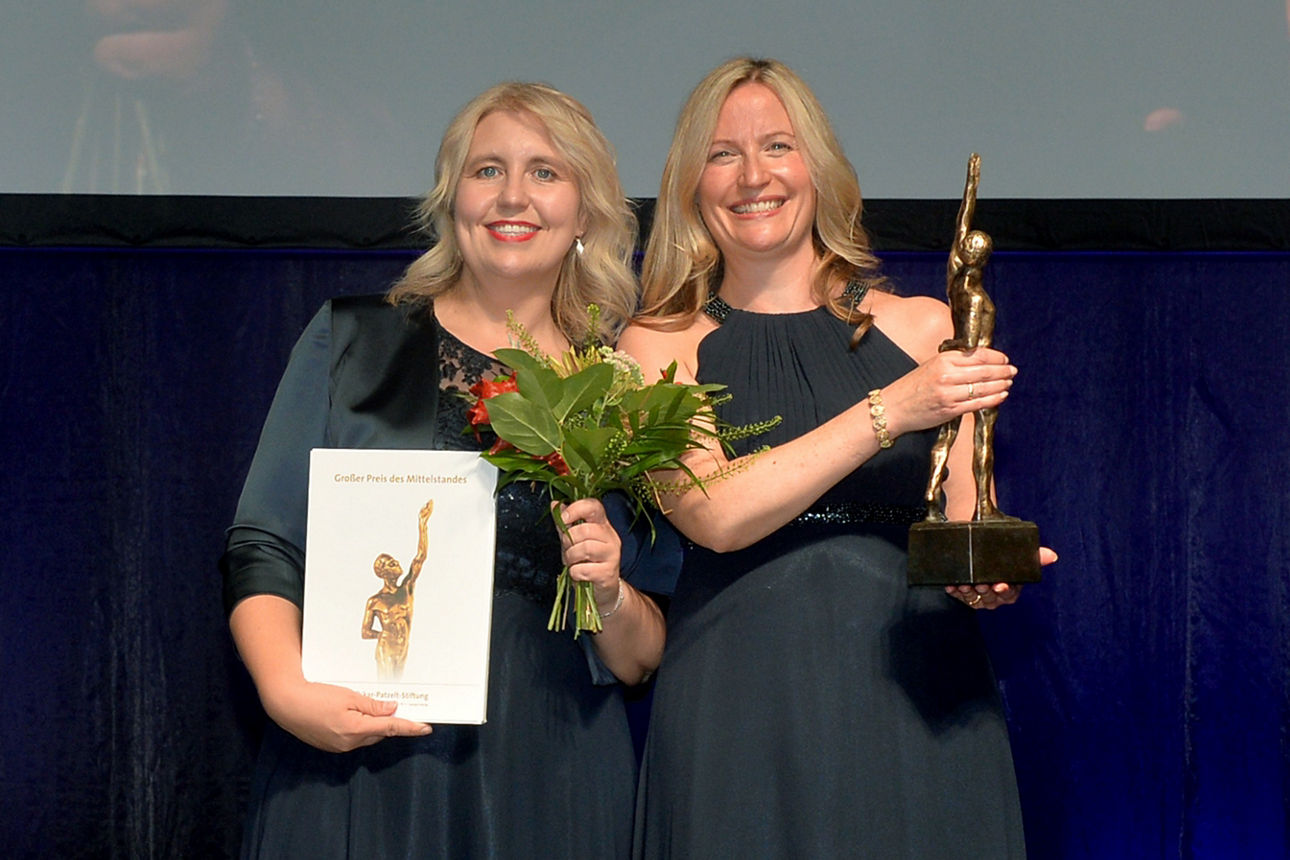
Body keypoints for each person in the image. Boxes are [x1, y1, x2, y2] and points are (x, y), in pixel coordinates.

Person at [617, 58, 1056, 858]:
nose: (754, 175)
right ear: (690, 183)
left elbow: (964, 510)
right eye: (723, 154)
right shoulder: (656, 345)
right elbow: (715, 514)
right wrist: (896, 408)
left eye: (778, 146)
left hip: (914, 695)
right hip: (738, 705)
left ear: (818, 168)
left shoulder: (925, 329)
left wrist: (984, 570)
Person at [220, 81, 664, 859]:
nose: (513, 196)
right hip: (357, 755)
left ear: (587, 212)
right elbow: (264, 542)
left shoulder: (621, 386)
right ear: (451, 199)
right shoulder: (352, 341)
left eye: (545, 172)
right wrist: (286, 693)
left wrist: (611, 592)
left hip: (547, 761)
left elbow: (643, 653)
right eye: (487, 170)